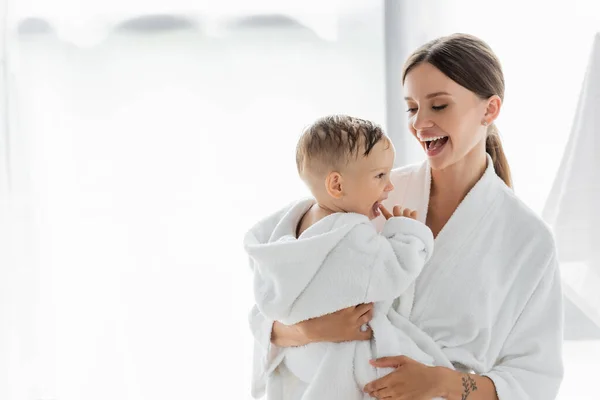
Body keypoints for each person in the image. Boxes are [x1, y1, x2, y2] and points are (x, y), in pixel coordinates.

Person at [249, 33, 564, 400]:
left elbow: (534, 379)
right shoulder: (368, 193)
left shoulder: (527, 239)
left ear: (489, 110)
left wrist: (439, 382)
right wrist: (310, 332)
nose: (420, 123)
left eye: (439, 106)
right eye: (412, 107)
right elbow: (272, 303)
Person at [245, 115, 453, 400]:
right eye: (380, 176)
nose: (389, 186)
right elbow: (392, 272)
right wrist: (407, 234)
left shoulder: (291, 224)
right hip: (341, 355)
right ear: (337, 186)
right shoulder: (348, 233)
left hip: (300, 357)